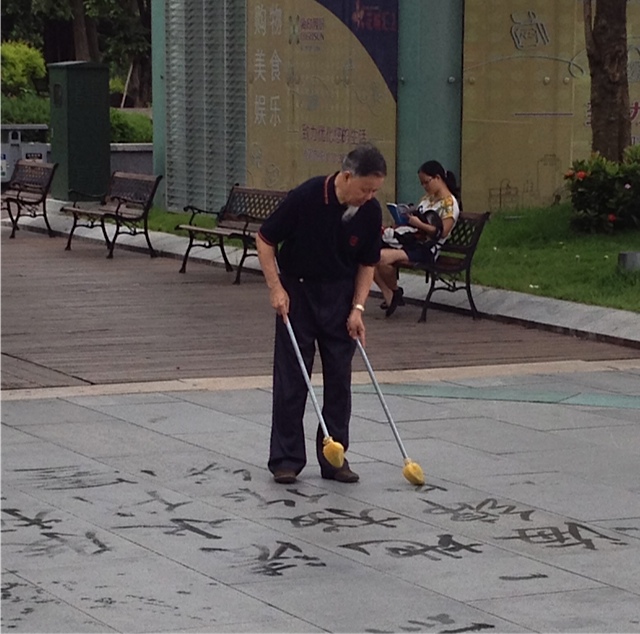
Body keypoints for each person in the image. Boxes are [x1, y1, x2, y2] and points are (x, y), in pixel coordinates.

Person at [256, 144, 387, 485]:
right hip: (297, 291)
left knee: (339, 382)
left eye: (375, 190)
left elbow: (368, 263)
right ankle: (285, 459)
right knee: (291, 379)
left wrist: (358, 308)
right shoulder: (308, 196)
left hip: (339, 294)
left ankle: (335, 457)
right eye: (365, 189)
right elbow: (265, 238)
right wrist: (276, 288)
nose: (369, 196)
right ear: (346, 176)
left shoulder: (370, 212)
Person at [374, 160, 461, 317]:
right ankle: (390, 292)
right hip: (412, 240)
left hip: (426, 248)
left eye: (426, 182)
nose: (425, 187)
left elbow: (442, 232)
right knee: (367, 251)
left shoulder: (450, 204)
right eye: (422, 184)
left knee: (380, 257)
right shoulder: (428, 198)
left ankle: (393, 292)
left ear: (438, 178)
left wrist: (419, 224)